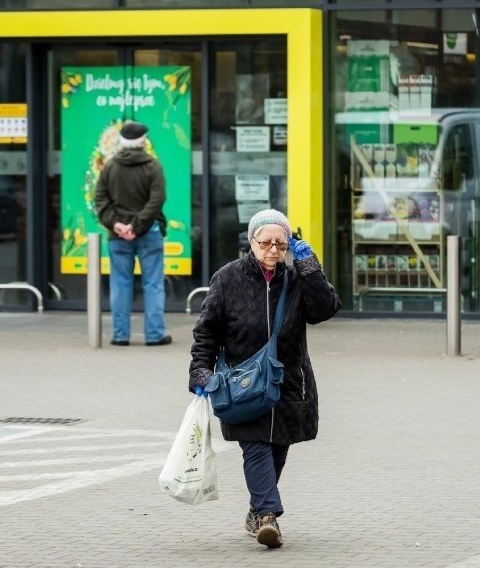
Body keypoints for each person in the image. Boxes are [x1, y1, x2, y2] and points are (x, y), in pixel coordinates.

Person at [187, 209, 341, 548]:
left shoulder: (296, 278)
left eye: (281, 244)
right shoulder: (228, 278)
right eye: (266, 243)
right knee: (255, 445)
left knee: (278, 447)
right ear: (251, 242)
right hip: (242, 382)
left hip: (289, 380)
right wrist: (201, 370)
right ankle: (268, 515)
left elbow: (325, 309)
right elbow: (207, 331)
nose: (273, 250)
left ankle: (256, 510)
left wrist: (310, 267)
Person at [95, 121, 171, 346]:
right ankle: (155, 335)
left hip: (117, 236)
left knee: (120, 284)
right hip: (149, 233)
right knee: (153, 284)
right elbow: (156, 200)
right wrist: (137, 226)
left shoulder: (109, 166)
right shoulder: (153, 166)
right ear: (143, 142)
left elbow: (100, 199)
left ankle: (120, 335)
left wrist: (117, 224)